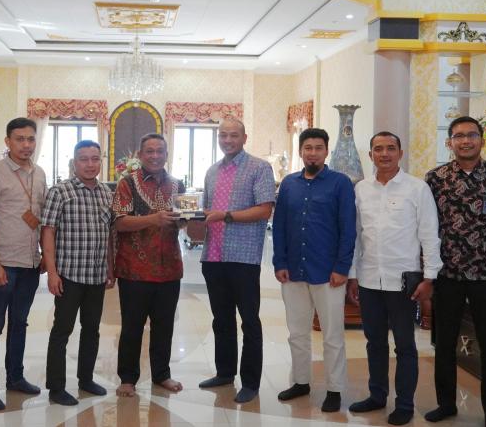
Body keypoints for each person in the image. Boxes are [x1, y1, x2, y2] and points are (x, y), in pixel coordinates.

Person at [424, 116, 486, 427]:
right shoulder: (435, 179)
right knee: (444, 344)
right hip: (447, 275)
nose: (466, 141)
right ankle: (446, 404)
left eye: (471, 135)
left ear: (481, 140)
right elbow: (427, 225)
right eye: (459, 136)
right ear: (449, 142)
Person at [347, 131, 442, 425]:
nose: (384, 154)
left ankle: (404, 404)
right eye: (378, 149)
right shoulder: (361, 189)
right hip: (369, 279)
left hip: (404, 282)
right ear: (371, 155)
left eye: (390, 148)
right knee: (374, 342)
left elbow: (430, 235)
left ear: (400, 153)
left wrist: (430, 278)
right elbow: (356, 237)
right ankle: (377, 395)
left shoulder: (417, 188)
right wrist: (353, 276)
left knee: (405, 345)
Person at [272, 127, 356, 412]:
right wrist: (280, 262)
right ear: (301, 151)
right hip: (293, 271)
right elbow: (280, 226)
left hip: (328, 273)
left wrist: (342, 267)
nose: (313, 153)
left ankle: (335, 389)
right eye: (308, 148)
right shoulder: (289, 184)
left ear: (326, 151)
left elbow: (348, 229)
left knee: (332, 335)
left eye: (318, 148)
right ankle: (300, 381)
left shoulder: (340, 183)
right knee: (297, 332)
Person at [199, 119, 275, 404]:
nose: (227, 140)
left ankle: (251, 382)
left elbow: (264, 210)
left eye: (233, 135)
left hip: (243, 257)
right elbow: (207, 210)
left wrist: (227, 215)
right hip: (213, 255)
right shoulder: (212, 171)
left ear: (244, 137)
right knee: (221, 319)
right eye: (223, 135)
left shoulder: (259, 168)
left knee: (249, 321)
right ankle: (225, 372)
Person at [0, 117, 47, 410]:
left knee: (19, 322)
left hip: (30, 262)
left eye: (30, 139)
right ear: (8, 142)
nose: (26, 145)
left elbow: (41, 218)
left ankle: (15, 377)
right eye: (19, 139)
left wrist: (44, 254)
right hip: (4, 261)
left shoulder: (40, 173)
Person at [41, 140, 114, 406]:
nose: (90, 164)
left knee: (92, 330)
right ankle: (56, 387)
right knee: (62, 331)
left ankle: (86, 379)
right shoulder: (60, 192)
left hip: (96, 276)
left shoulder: (107, 193)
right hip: (69, 275)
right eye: (84, 159)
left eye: (95, 159)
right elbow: (47, 232)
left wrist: (110, 268)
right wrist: (52, 273)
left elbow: (109, 235)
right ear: (74, 163)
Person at [111, 133, 184, 397]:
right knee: (132, 326)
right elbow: (120, 222)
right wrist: (154, 219)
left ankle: (161, 374)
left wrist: (192, 219)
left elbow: (184, 221)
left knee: (164, 326)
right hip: (134, 269)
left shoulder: (177, 185)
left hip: (170, 268)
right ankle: (127, 378)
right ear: (141, 155)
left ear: (167, 155)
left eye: (160, 151)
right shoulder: (127, 183)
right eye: (149, 151)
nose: (155, 156)